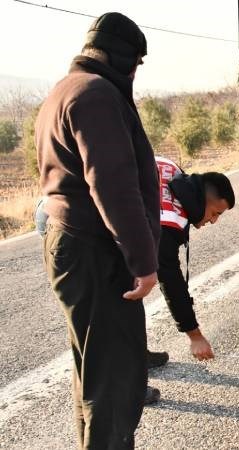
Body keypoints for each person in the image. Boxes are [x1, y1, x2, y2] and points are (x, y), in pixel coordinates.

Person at [36, 12, 158, 449]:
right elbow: (113, 186)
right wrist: (143, 262)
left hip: (73, 244)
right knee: (115, 380)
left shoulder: (65, 90)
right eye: (136, 63)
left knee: (94, 372)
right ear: (123, 57)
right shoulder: (96, 95)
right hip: (95, 253)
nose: (134, 74)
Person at [147, 156, 235, 368]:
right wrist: (195, 336)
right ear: (202, 198)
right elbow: (170, 280)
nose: (214, 220)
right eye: (215, 213)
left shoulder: (174, 171)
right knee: (123, 292)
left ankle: (134, 352)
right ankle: (127, 382)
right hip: (85, 233)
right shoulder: (168, 222)